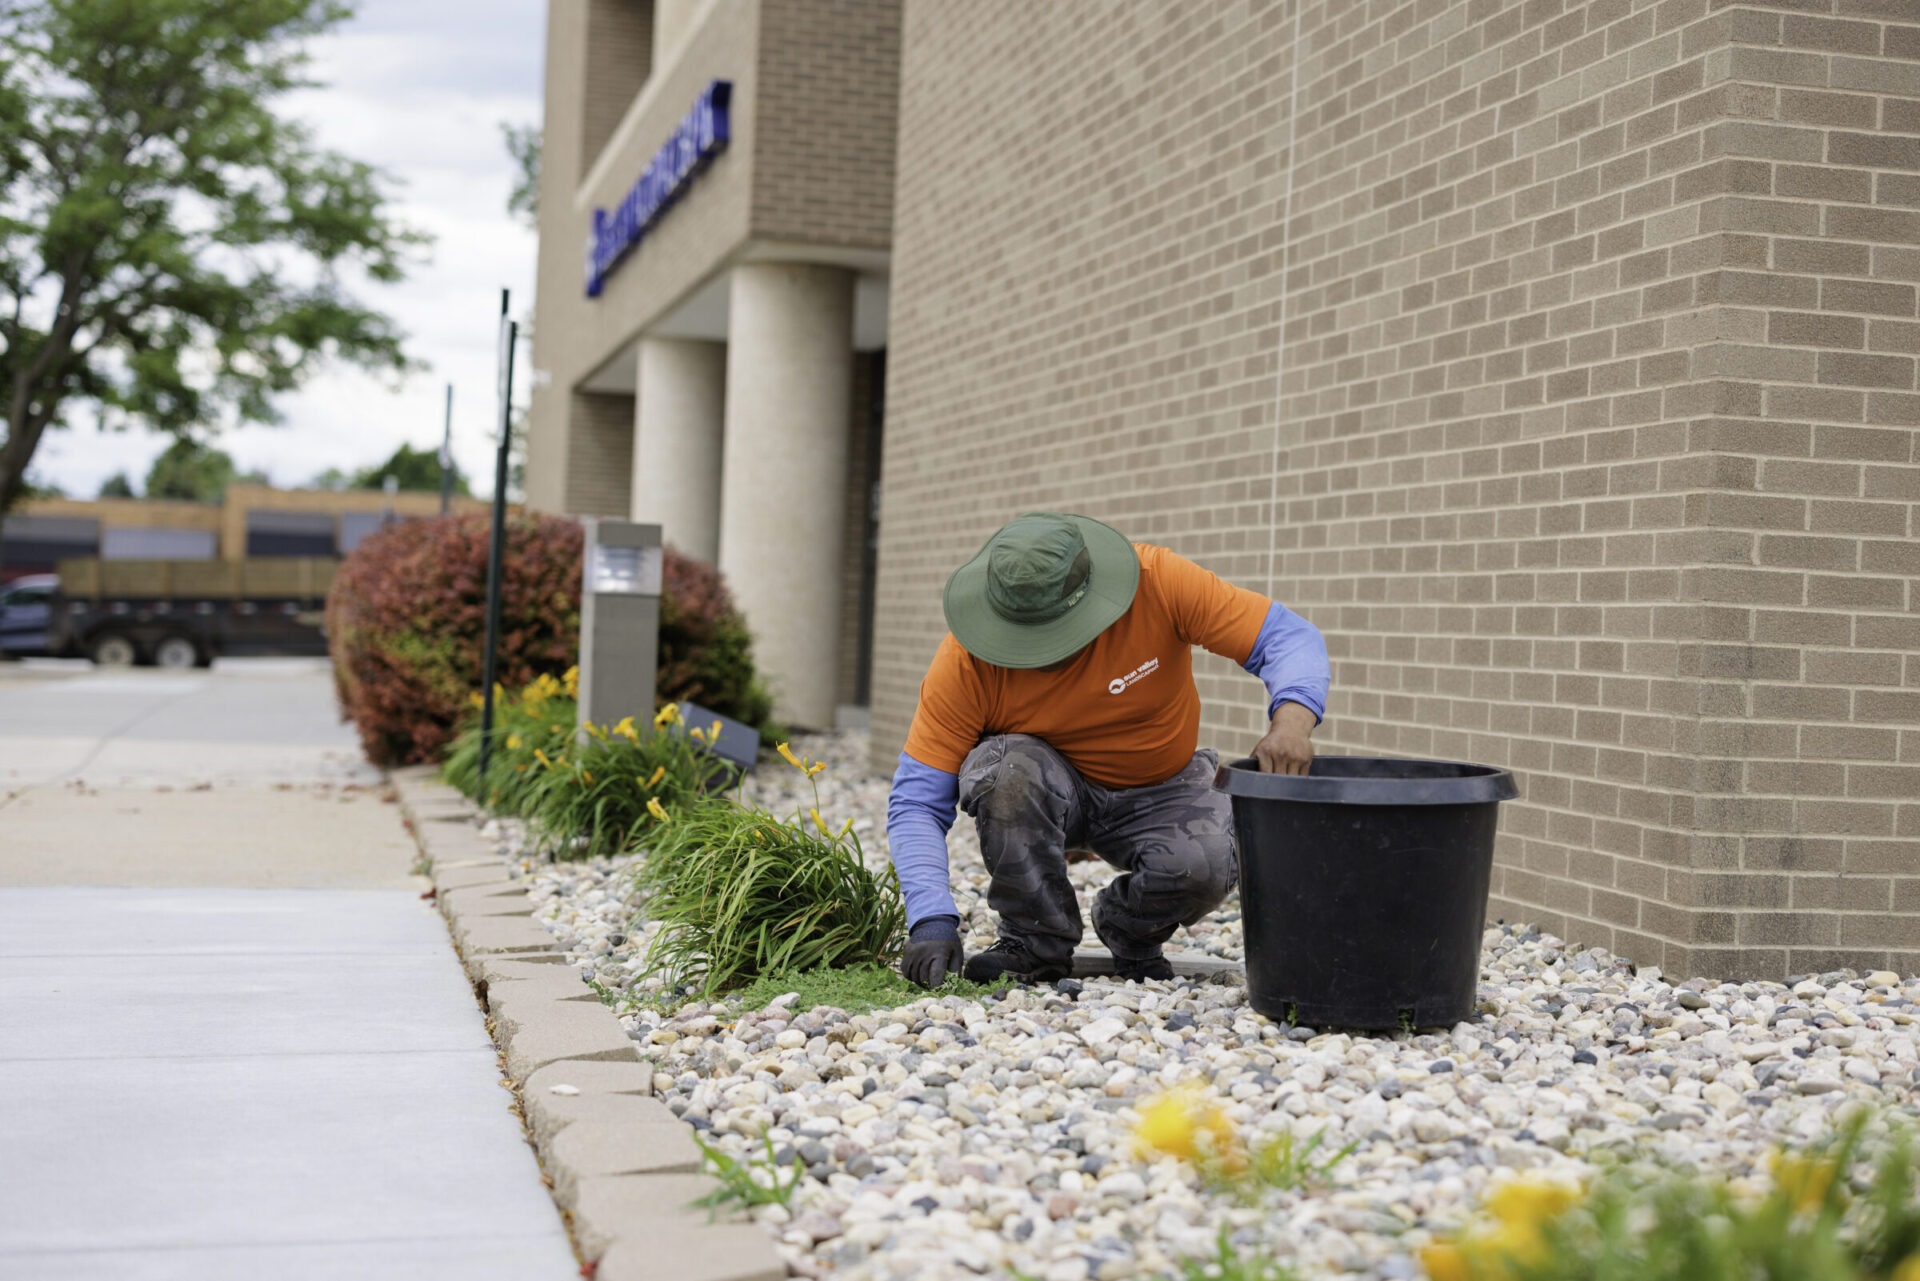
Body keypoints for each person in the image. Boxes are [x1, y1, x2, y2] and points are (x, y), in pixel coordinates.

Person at [888, 511, 1331, 990]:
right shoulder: (965, 661)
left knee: (1215, 855)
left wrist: (1291, 719)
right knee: (1003, 772)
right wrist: (931, 919)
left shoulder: (1158, 582)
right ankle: (1034, 942)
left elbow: (1285, 636)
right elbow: (916, 803)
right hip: (1043, 790)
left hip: (1161, 786)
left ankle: (1129, 927)